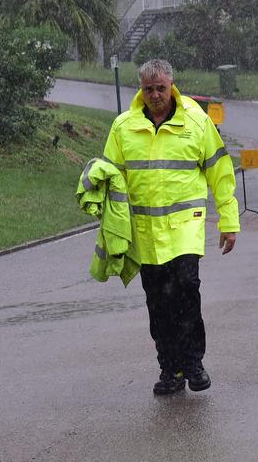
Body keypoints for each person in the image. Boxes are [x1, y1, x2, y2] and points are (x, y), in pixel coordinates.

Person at [102, 59, 239, 396]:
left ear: (171, 85)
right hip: (146, 233)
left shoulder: (195, 121)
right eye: (148, 89)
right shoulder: (124, 127)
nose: (155, 95)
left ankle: (193, 362)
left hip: (185, 229)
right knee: (158, 304)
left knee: (187, 290)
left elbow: (220, 172)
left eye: (161, 88)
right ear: (141, 89)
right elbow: (110, 174)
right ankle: (170, 368)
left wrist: (229, 221)